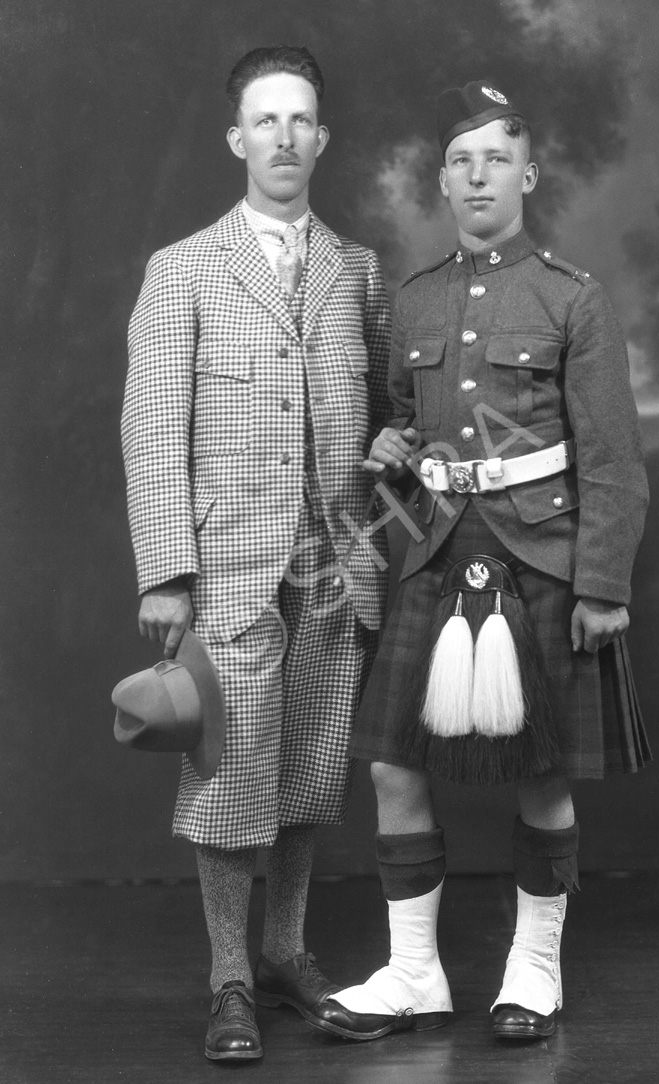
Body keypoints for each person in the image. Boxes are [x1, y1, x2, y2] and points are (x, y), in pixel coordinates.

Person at [308, 80, 650, 1044]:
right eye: (459, 160)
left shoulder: (572, 297)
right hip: (432, 551)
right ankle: (415, 973)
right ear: (443, 182)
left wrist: (603, 587)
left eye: (495, 157)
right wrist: (391, 450)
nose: (476, 175)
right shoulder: (413, 302)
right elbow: (408, 430)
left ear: (528, 173)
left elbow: (615, 457)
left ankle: (531, 970)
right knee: (393, 769)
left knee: (542, 769)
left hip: (541, 554)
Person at [121, 46, 391, 1061]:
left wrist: (386, 474)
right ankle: (228, 978)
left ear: (320, 139)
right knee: (232, 770)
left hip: (335, 565)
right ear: (238, 140)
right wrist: (165, 571)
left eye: (300, 121)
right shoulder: (185, 268)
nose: (283, 138)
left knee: (311, 769)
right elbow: (153, 434)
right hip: (227, 566)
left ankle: (285, 952)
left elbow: (380, 415)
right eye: (264, 121)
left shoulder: (354, 268)